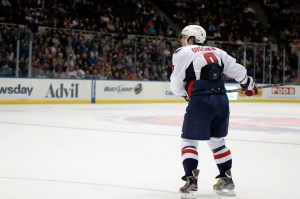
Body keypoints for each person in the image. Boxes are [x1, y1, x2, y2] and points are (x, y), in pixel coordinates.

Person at [170, 25, 258, 198]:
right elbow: (239, 71)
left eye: (184, 36)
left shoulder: (183, 51)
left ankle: (191, 181)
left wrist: (184, 94)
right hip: (221, 101)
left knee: (188, 140)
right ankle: (226, 180)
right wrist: (248, 84)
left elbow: (176, 81)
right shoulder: (217, 51)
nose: (181, 39)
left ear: (192, 39)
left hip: (201, 101)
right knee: (217, 141)